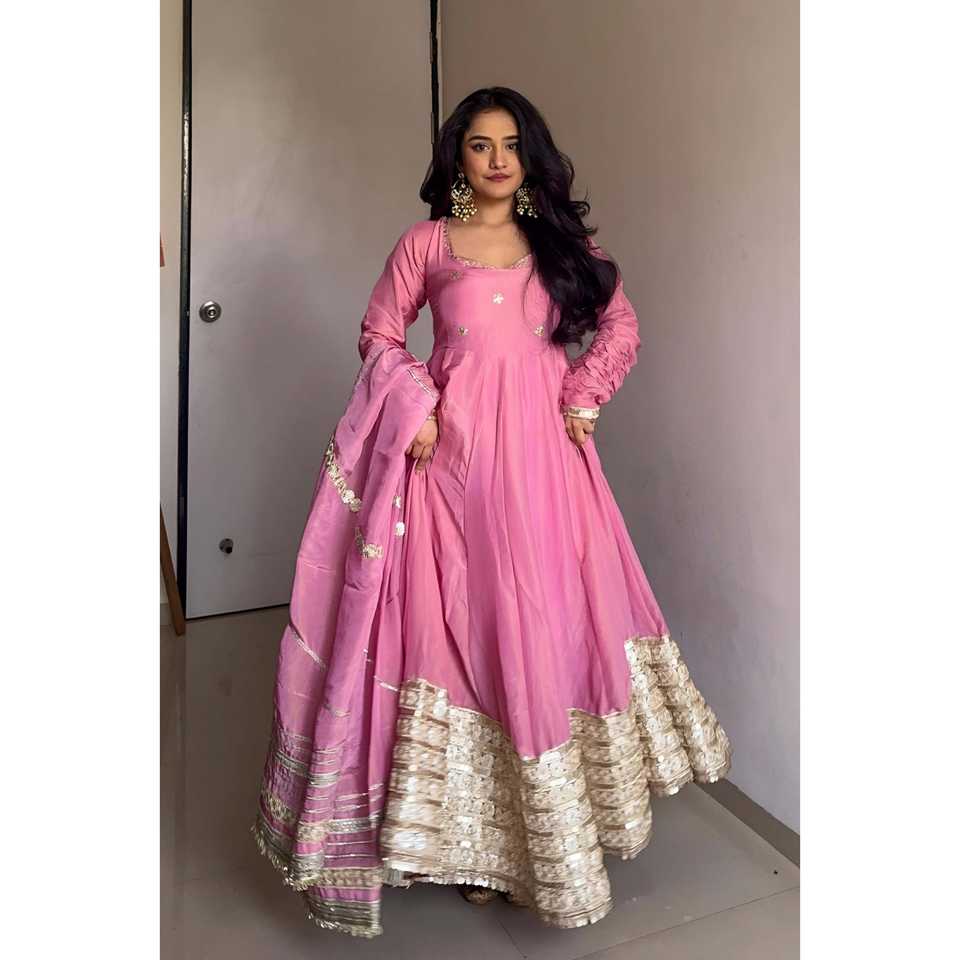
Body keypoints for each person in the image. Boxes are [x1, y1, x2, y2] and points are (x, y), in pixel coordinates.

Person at [251, 86, 732, 938]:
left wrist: (584, 393)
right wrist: (416, 408)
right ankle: (473, 848)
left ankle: (543, 842)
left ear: (531, 154)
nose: (498, 159)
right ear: (458, 158)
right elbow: (380, 334)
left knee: (542, 625)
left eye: (511, 144)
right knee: (466, 633)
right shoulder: (428, 243)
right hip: (453, 473)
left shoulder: (561, 245)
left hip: (546, 471)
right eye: (480, 145)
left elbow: (619, 326)